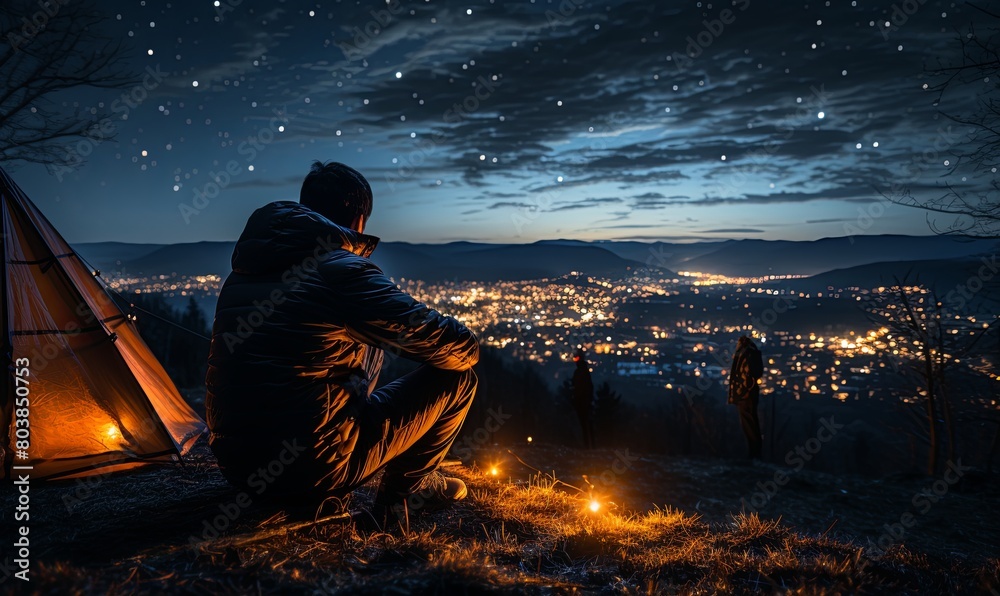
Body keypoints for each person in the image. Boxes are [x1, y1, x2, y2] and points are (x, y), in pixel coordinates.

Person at [206, 161, 479, 528]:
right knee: (459, 379)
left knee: (354, 339)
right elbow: (457, 346)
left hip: (238, 467)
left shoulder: (243, 273)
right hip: (308, 470)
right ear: (359, 221)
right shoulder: (340, 270)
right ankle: (400, 505)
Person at [728, 335, 764, 459]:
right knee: (750, 423)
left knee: (749, 424)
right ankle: (754, 452)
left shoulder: (746, 354)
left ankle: (754, 453)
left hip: (745, 395)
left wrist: (744, 388)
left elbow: (749, 374)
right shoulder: (752, 353)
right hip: (748, 394)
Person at [571, 348, 595, 449]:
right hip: (583, 400)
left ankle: (587, 445)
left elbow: (582, 387)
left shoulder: (580, 372)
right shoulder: (583, 371)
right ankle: (588, 445)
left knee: (584, 424)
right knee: (585, 424)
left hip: (582, 401)